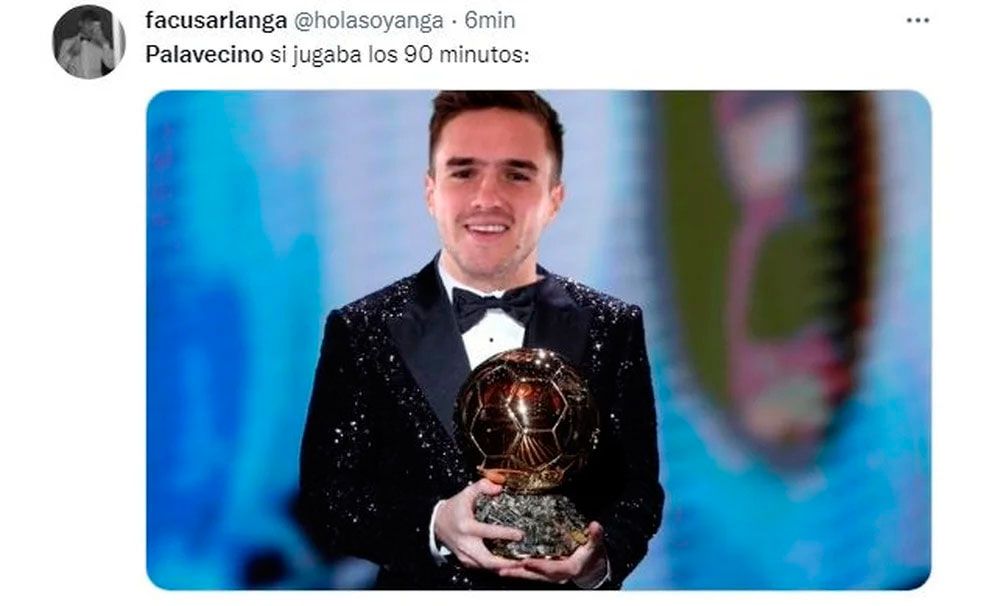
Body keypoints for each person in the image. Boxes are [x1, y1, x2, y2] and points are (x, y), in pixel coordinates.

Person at [298, 91, 663, 589]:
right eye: (464, 172)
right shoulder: (362, 329)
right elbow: (328, 499)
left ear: (555, 198)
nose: (487, 198)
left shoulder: (612, 326)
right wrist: (435, 524)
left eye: (516, 174)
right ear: (431, 192)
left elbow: (637, 494)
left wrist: (598, 564)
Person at [57, 9, 115, 79]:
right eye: (89, 24)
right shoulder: (67, 43)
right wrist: (70, 53)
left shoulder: (101, 44)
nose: (92, 28)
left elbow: (111, 65)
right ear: (80, 23)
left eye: (95, 25)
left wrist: (105, 45)